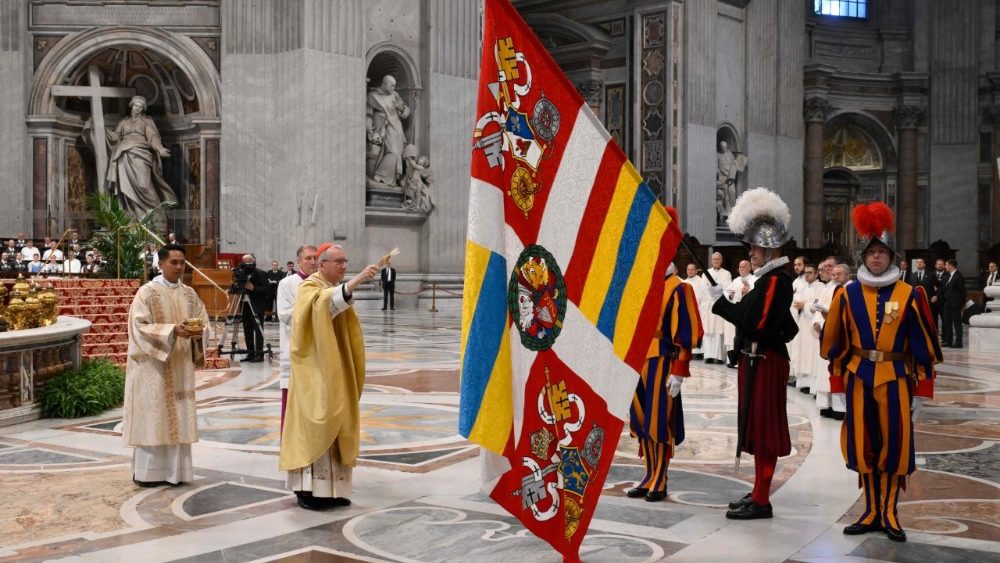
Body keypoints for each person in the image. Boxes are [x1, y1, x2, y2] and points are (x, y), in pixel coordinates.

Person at [820, 202, 941, 543]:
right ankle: (871, 510)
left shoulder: (909, 294)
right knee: (864, 445)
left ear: (892, 257)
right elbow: (836, 343)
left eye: (882, 252)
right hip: (858, 378)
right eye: (871, 252)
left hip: (896, 378)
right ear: (863, 257)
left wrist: (922, 391)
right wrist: (837, 383)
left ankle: (889, 512)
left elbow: (922, 346)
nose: (876, 257)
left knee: (894, 446)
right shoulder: (847, 294)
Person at [711, 187, 798, 520]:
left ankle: (762, 499)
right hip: (756, 359)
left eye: (756, 248)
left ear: (770, 248)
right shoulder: (768, 281)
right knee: (757, 428)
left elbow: (755, 323)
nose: (751, 253)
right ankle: (758, 491)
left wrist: (722, 305)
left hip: (766, 360)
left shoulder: (775, 281)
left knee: (765, 431)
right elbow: (779, 325)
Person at [279, 243, 379, 510]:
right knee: (317, 422)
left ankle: (333, 490)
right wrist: (357, 281)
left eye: (346, 261)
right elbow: (321, 307)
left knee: (338, 421)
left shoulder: (328, 287)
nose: (344, 266)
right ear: (322, 264)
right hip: (314, 369)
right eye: (338, 261)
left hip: (335, 367)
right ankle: (307, 491)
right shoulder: (309, 287)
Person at [121, 243, 209, 486]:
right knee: (154, 417)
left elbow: (203, 321)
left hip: (181, 366)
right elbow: (138, 327)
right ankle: (149, 474)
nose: (179, 267)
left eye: (182, 263)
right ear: (160, 264)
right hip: (154, 368)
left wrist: (199, 332)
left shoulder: (189, 294)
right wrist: (172, 331)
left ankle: (176, 473)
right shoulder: (147, 293)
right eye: (174, 262)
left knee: (178, 417)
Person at [626, 263, 703, 502]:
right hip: (637, 358)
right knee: (641, 417)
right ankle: (649, 473)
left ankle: (660, 476)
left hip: (662, 358)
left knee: (659, 420)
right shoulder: (643, 284)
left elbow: (687, 333)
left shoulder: (680, 288)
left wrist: (679, 370)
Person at [105, 95, 177, 220]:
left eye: (140, 106)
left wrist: (160, 149)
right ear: (131, 106)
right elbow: (115, 137)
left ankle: (156, 216)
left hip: (141, 154)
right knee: (125, 186)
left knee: (144, 185)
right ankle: (131, 215)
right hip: (124, 155)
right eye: (135, 105)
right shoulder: (123, 122)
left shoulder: (146, 121)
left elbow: (153, 137)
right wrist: (102, 130)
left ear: (143, 109)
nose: (137, 108)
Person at [276, 245, 319, 431]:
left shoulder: (324, 283)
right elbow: (284, 315)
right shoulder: (287, 283)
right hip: (295, 349)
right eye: (308, 258)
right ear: (299, 261)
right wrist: (312, 307)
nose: (312, 262)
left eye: (315, 258)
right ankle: (291, 441)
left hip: (320, 350)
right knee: (293, 402)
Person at [813, 263, 851, 419]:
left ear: (848, 275)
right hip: (828, 334)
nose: (835, 277)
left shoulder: (851, 290)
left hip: (843, 338)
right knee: (826, 373)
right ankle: (827, 405)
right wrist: (819, 321)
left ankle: (840, 409)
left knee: (840, 372)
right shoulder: (830, 289)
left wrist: (830, 317)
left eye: (839, 274)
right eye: (834, 274)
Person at [366, 75, 411, 186]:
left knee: (397, 153)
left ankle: (390, 180)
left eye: (394, 86)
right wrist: (369, 128)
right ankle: (380, 175)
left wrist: (401, 108)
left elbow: (406, 112)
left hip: (396, 128)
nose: (393, 88)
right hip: (382, 128)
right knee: (392, 152)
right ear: (385, 83)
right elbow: (368, 114)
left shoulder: (394, 95)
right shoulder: (373, 96)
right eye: (392, 85)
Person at [231, 254, 269, 362]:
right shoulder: (240, 273)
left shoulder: (261, 273)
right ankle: (250, 353)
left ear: (254, 261)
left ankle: (259, 355)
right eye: (244, 261)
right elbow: (236, 286)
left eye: (249, 261)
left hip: (257, 306)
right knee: (247, 330)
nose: (246, 263)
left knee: (258, 330)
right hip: (244, 306)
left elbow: (266, 290)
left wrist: (253, 288)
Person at [701, 252, 732, 364]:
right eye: (714, 259)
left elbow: (728, 287)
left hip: (719, 304)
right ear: (711, 261)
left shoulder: (727, 273)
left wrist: (719, 287)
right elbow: (703, 288)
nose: (716, 261)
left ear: (721, 261)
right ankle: (708, 355)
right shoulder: (706, 273)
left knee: (719, 331)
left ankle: (719, 357)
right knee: (708, 331)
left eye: (718, 259)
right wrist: (711, 289)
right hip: (708, 305)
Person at [724, 260, 756, 368]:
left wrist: (747, 292)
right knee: (737, 337)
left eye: (744, 267)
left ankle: (744, 360)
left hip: (749, 312)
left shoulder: (753, 279)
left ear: (750, 268)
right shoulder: (736, 280)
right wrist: (732, 295)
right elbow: (730, 294)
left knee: (746, 338)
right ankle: (735, 360)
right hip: (738, 311)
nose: (742, 269)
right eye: (740, 267)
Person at [683, 263, 709, 360]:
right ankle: (688, 350)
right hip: (686, 311)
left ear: (696, 271)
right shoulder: (684, 282)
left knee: (697, 331)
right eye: (688, 269)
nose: (690, 271)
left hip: (698, 310)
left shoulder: (701, 282)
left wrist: (700, 310)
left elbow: (705, 298)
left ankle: (698, 352)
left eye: (692, 269)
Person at [940, 259, 966, 348]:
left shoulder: (958, 276)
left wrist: (961, 304)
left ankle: (958, 343)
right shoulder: (949, 275)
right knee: (947, 323)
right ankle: (949, 341)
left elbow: (962, 291)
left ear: (951, 266)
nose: (945, 266)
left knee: (957, 324)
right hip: (947, 303)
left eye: (946, 265)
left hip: (955, 304)